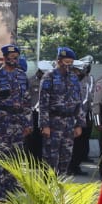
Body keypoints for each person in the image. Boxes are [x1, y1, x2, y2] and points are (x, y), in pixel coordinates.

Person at [0, 43, 33, 198]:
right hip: (1, 123)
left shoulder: (22, 76)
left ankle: (11, 188)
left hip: (18, 123)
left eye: (16, 58)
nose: (14, 60)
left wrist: (28, 123)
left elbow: (27, 102)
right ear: (4, 58)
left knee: (15, 157)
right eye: (11, 58)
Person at [37, 47, 86, 176]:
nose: (68, 65)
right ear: (58, 61)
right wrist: (44, 125)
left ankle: (61, 188)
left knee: (66, 158)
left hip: (69, 123)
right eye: (66, 61)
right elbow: (43, 103)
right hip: (53, 123)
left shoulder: (74, 78)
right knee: (50, 159)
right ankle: (47, 189)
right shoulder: (49, 77)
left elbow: (78, 102)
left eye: (71, 62)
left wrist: (79, 124)